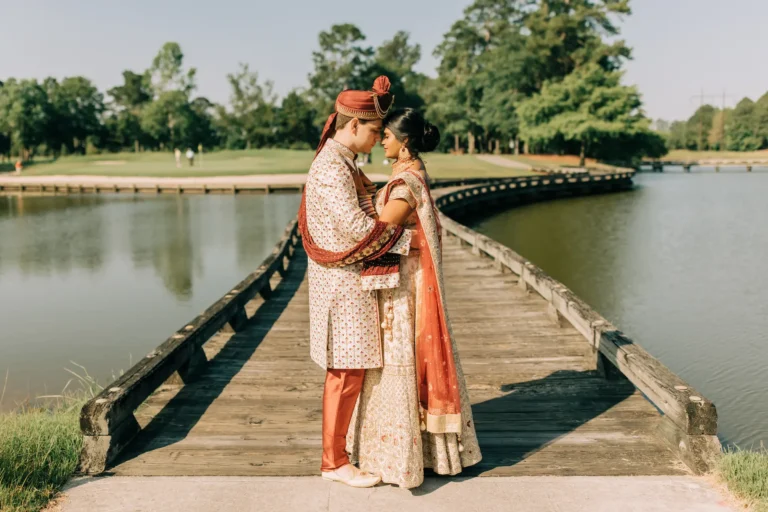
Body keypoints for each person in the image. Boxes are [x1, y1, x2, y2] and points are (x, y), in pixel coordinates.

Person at [345, 108, 482, 489]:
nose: (381, 140)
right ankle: (423, 452)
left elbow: (379, 231)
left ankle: (403, 460)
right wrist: (366, 190)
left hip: (406, 292)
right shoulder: (409, 175)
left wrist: (350, 206)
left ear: (404, 144)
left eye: (386, 135)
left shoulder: (406, 183)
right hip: (404, 281)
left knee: (399, 365)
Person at [298, 76, 419, 488]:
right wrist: (408, 240)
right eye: (372, 131)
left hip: (351, 283)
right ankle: (333, 462)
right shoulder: (332, 168)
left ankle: (340, 454)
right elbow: (354, 227)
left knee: (350, 373)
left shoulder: (343, 162)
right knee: (345, 374)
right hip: (341, 286)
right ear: (352, 125)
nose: (375, 139)